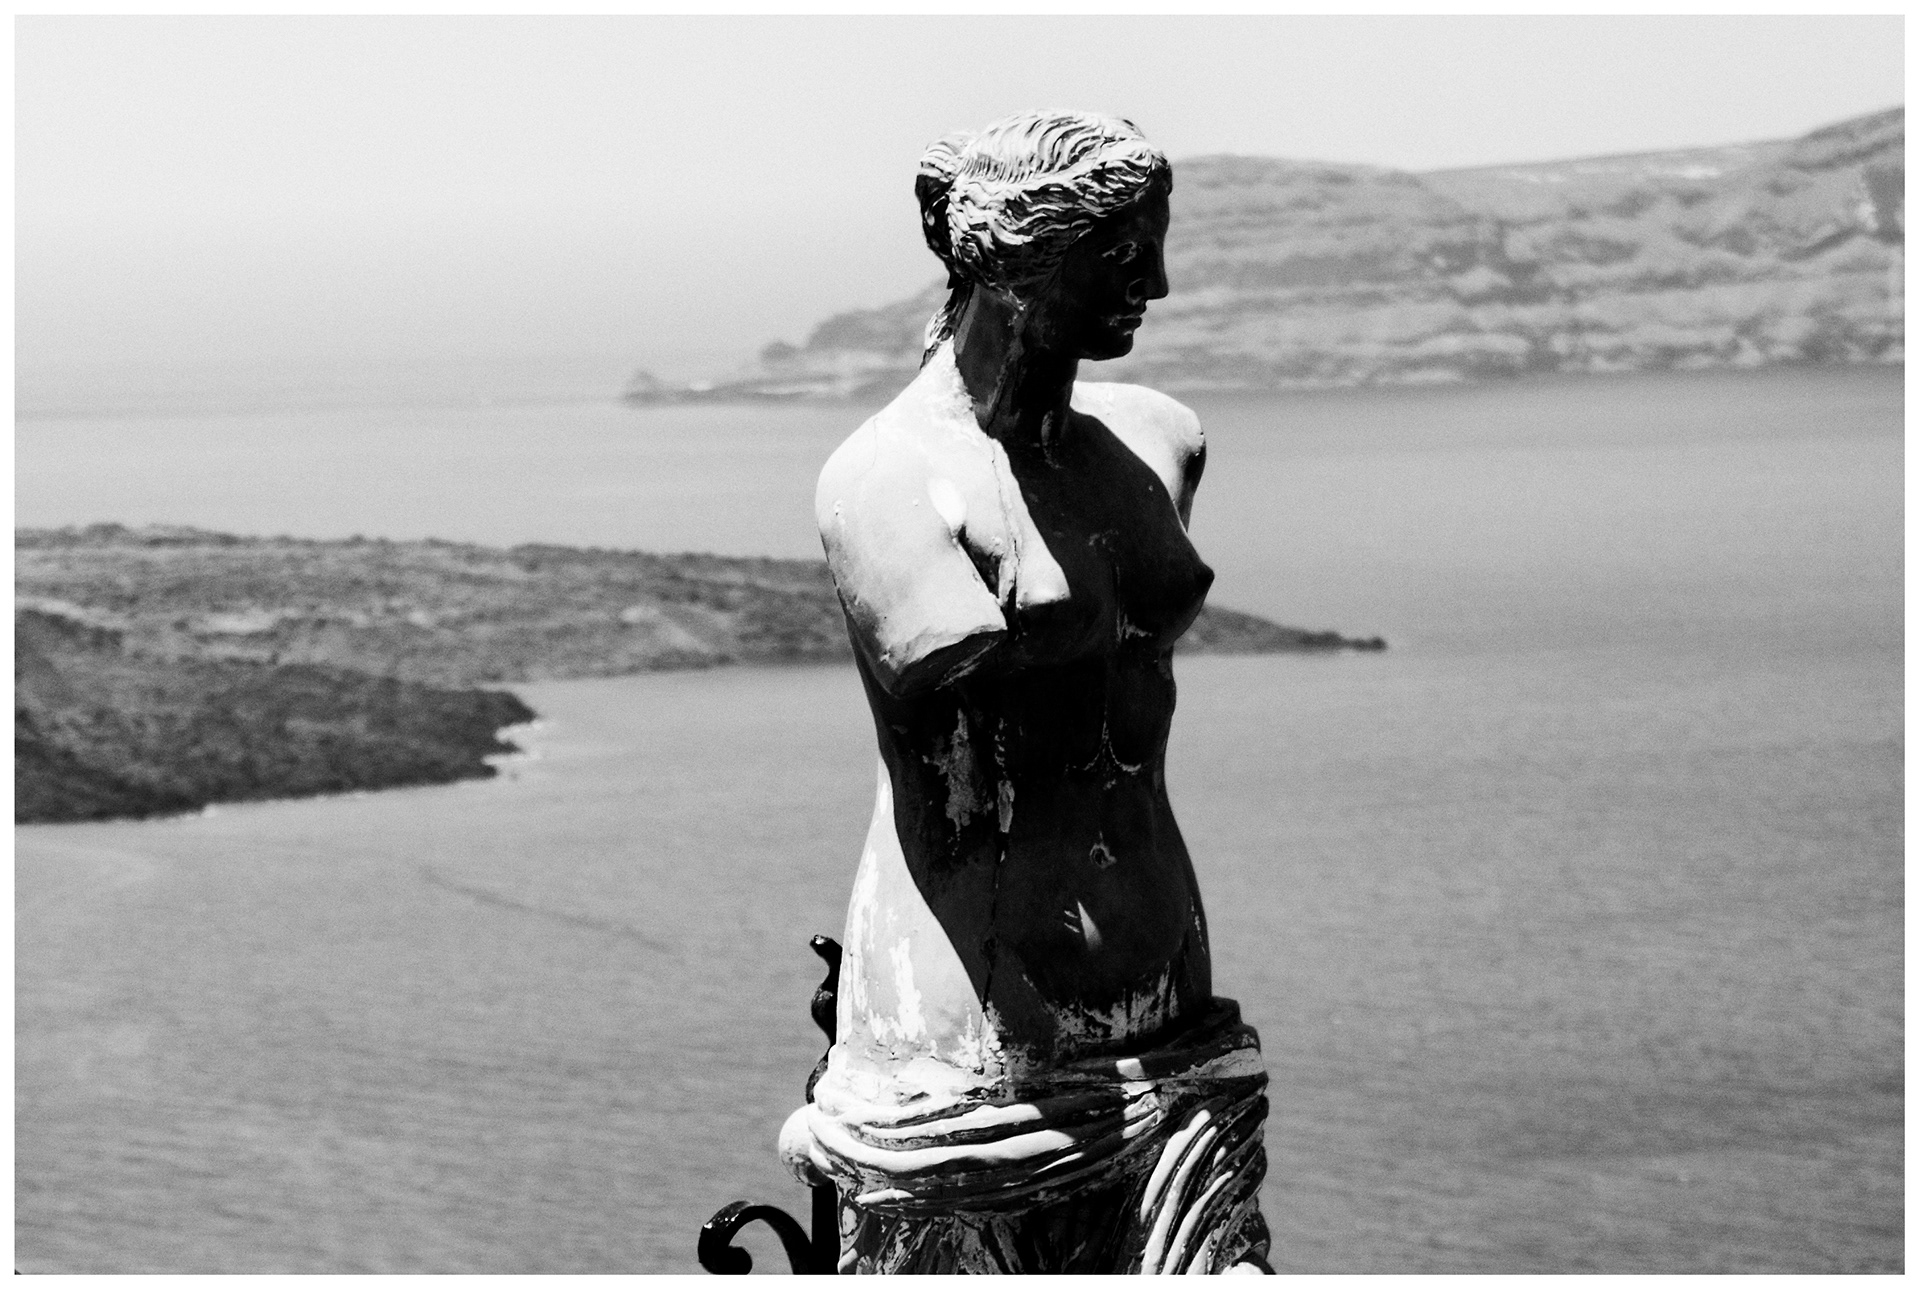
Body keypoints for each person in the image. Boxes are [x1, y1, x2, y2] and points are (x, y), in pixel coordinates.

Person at [783, 110, 1272, 1274]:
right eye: (1120, 253)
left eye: (1155, 246)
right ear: (1016, 260)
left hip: (1172, 1003)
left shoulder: (1155, 438)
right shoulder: (888, 480)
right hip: (974, 1024)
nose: (1157, 282)